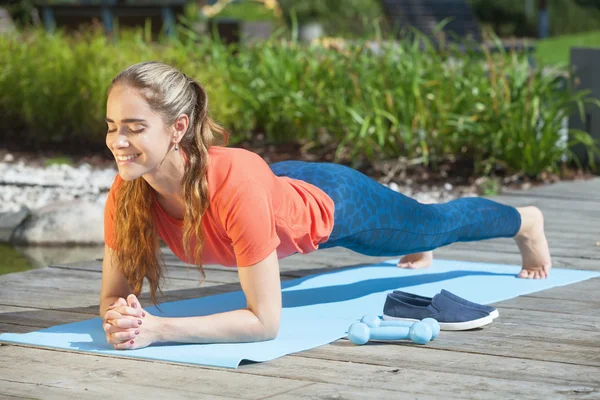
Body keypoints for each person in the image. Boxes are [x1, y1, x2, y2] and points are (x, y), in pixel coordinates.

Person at [100, 61, 552, 350]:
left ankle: (525, 223)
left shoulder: (234, 188)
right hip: (275, 184)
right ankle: (415, 240)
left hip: (334, 202)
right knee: (414, 231)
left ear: (178, 128)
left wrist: (159, 330)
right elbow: (112, 297)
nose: (118, 142)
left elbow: (264, 323)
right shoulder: (129, 192)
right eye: (112, 126)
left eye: (135, 128)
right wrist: (121, 318)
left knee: (434, 224)